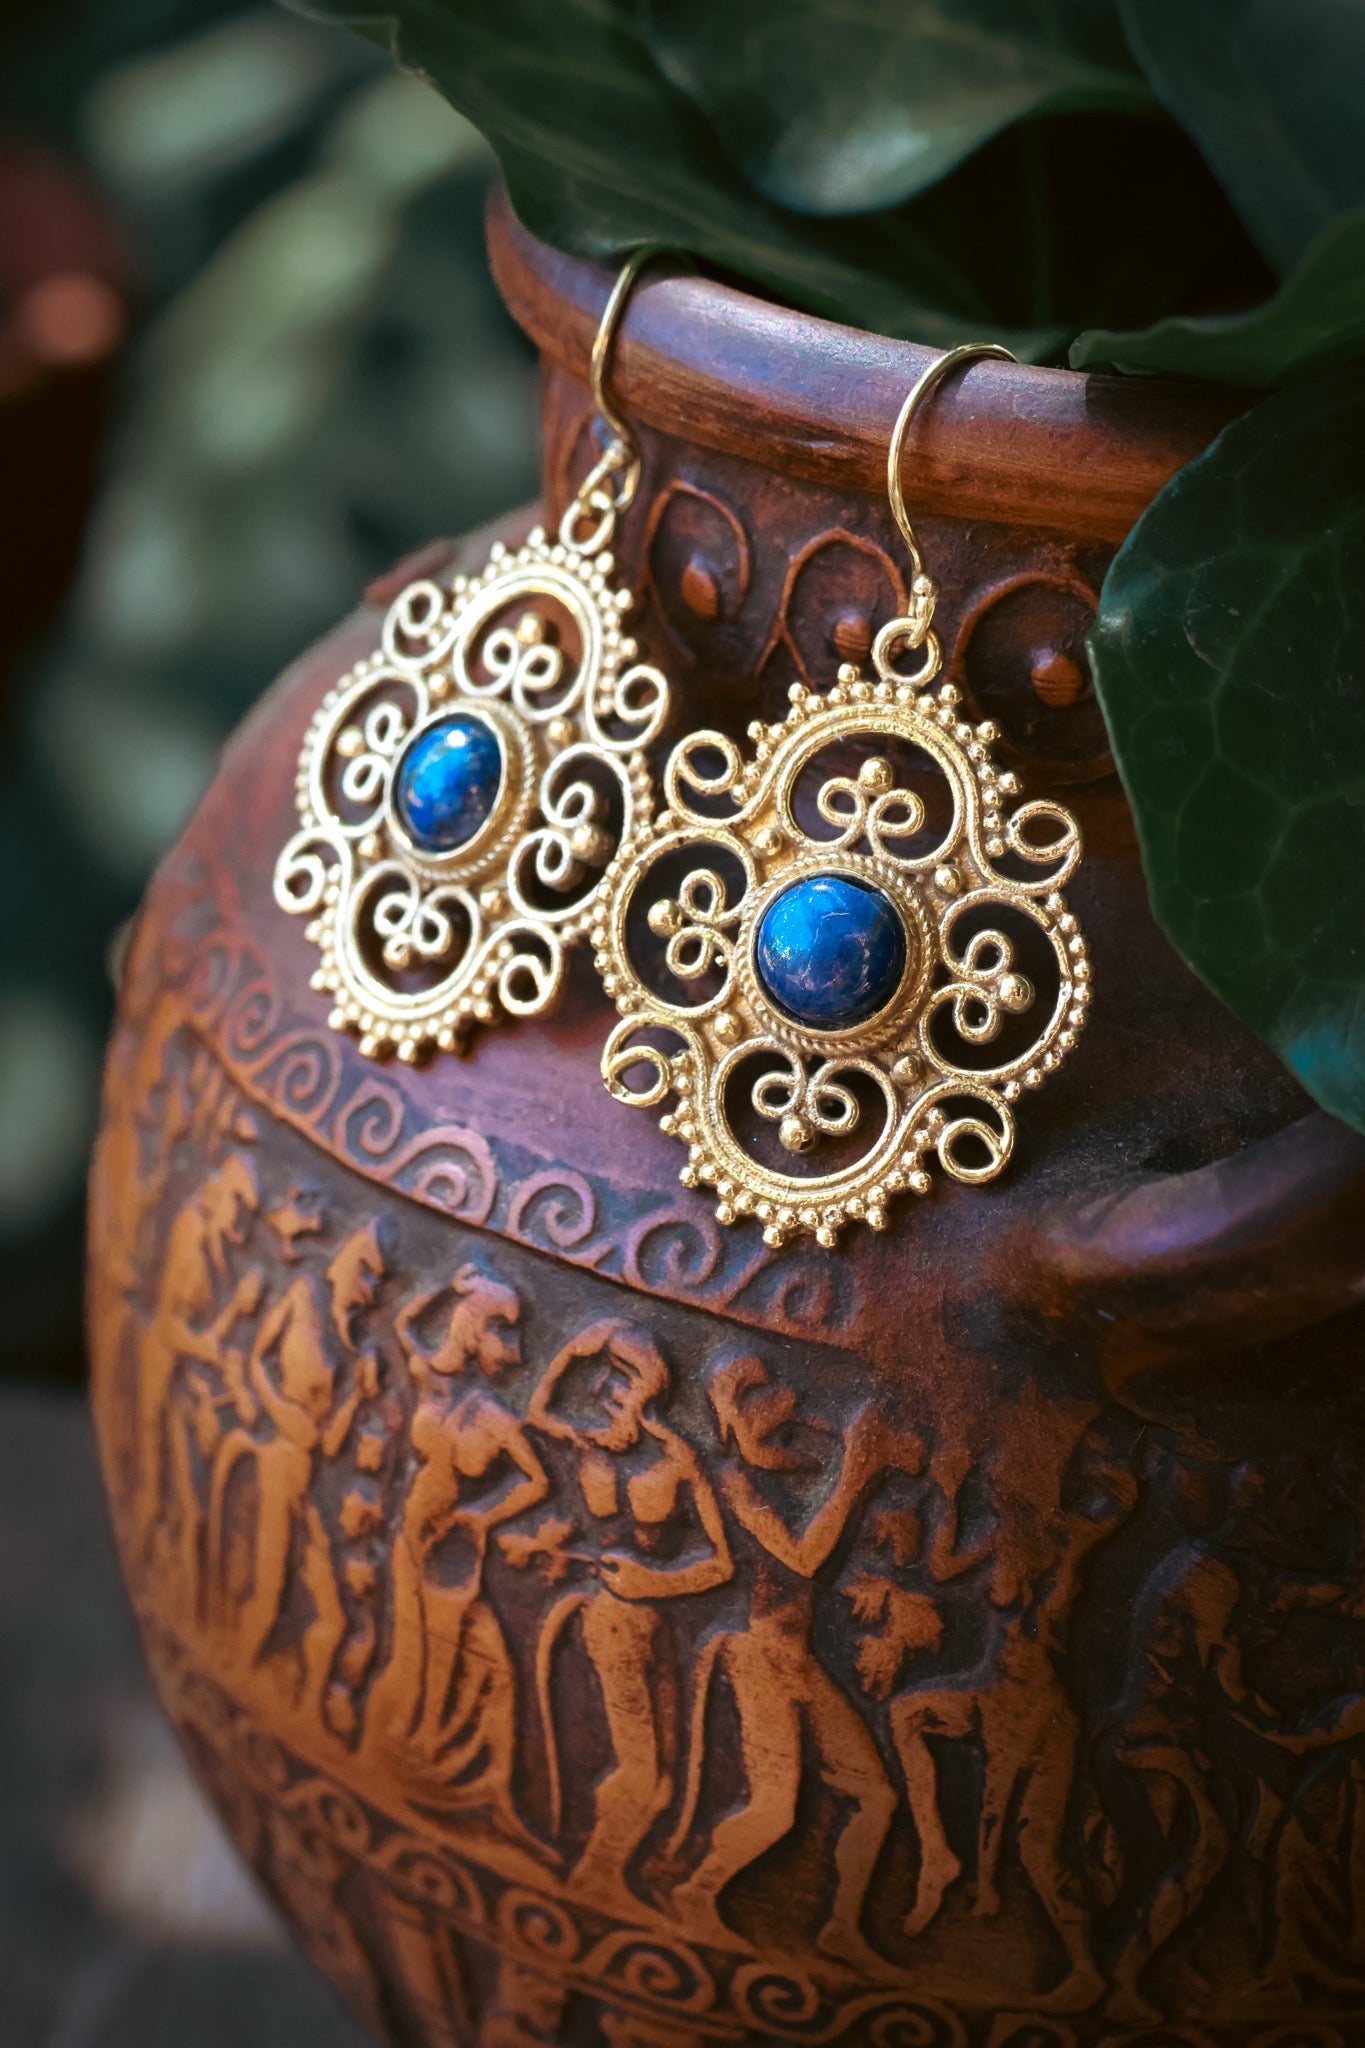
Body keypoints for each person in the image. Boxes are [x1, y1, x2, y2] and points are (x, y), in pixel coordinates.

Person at [669, 1354, 920, 1971]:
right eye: (764, 1403)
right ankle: (693, 1893)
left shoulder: (792, 1471)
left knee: (876, 1797)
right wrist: (858, 1472)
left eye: (784, 1402)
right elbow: (804, 1560)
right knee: (775, 1810)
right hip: (762, 1655)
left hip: (800, 1661)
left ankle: (840, 1927)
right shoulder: (737, 1482)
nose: (787, 1411)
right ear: (732, 1419)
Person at [527, 1320, 731, 1910]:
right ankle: (593, 1881)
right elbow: (539, 1409)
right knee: (645, 1777)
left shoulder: (676, 1462)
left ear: (646, 1400)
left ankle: (599, 1880)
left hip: (654, 1621)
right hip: (610, 1622)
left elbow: (721, 1566)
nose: (610, 1402)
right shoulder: (589, 1446)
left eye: (625, 1392)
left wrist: (658, 1582)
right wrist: (576, 1345)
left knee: (660, 1782)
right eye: (607, 1390)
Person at [364, 1264, 546, 1850]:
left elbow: (536, 1482)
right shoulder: (434, 1384)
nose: (512, 1350)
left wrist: (482, 1517)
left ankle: (439, 1770)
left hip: (455, 1544)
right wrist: (451, 1287)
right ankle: (406, 1759)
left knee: (447, 1656)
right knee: (414, 1644)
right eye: (500, 1332)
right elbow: (403, 1322)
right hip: (411, 1533)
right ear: (473, 1331)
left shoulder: (494, 1419)